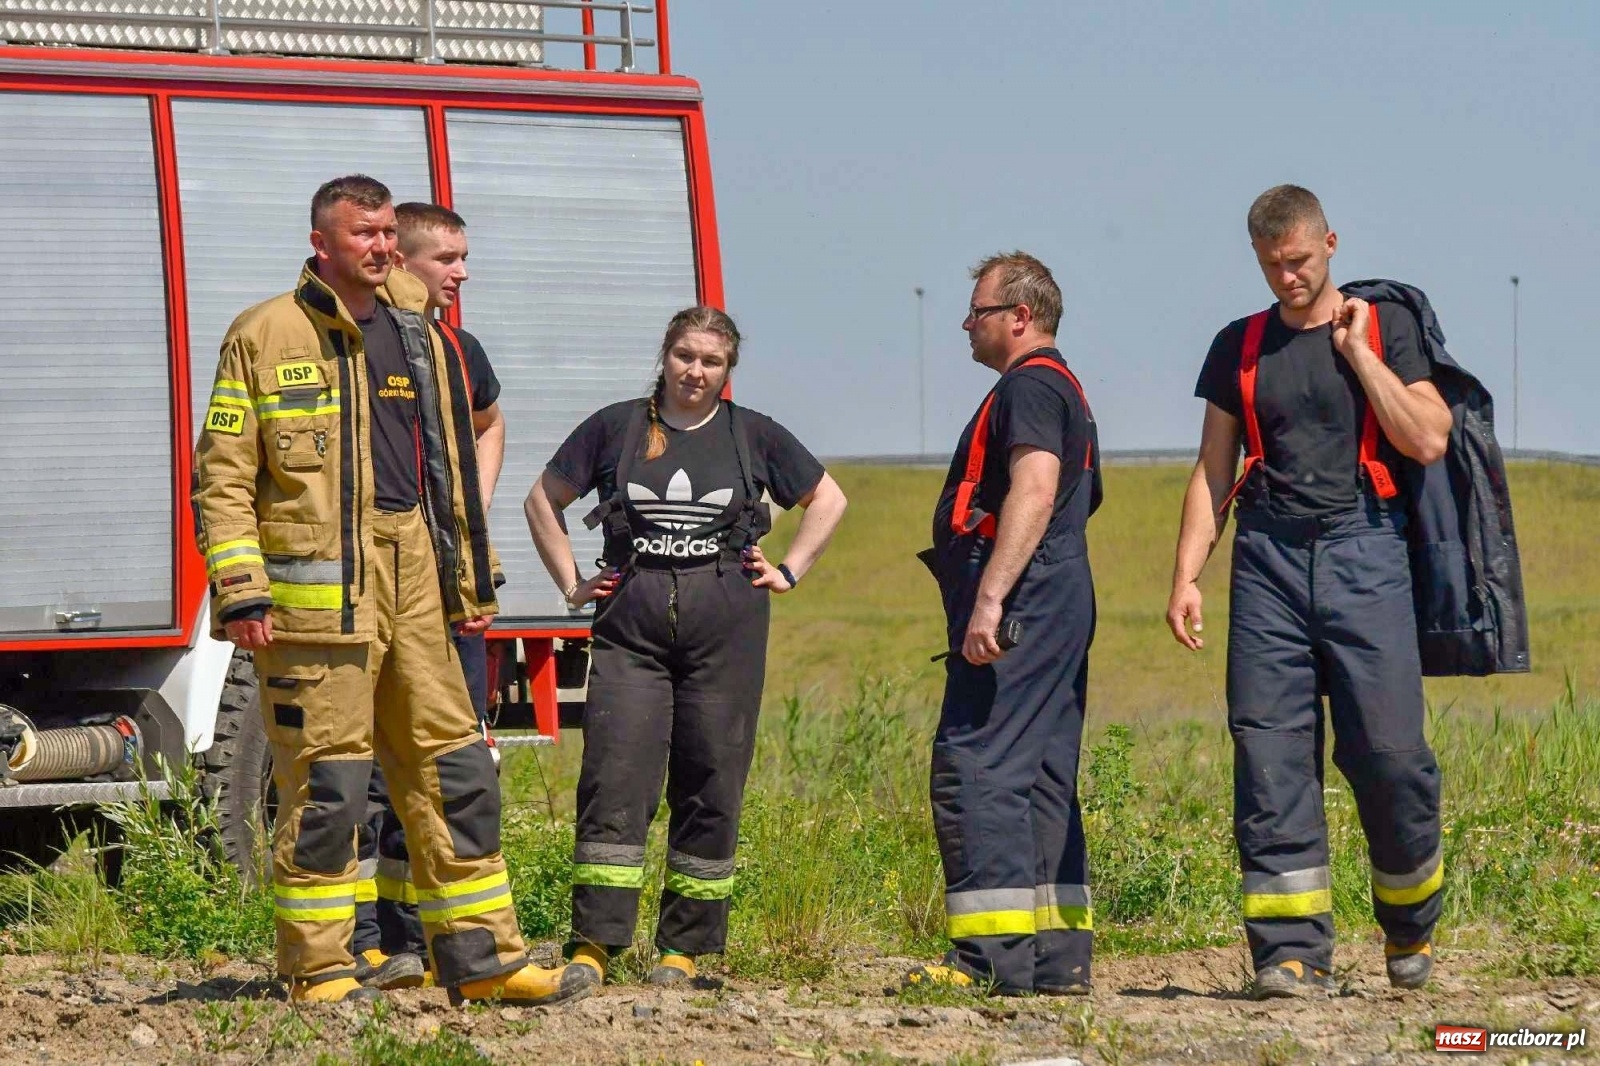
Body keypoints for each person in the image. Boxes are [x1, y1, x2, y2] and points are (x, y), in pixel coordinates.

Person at [193, 174, 588, 1007]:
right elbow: (222, 478)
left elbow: (466, 446)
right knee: (331, 788)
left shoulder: (423, 334)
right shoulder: (264, 335)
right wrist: (242, 589)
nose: (377, 246)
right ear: (321, 245)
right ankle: (321, 968)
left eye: (384, 232)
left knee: (456, 774)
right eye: (360, 234)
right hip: (318, 604)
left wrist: (465, 579)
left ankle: (483, 962)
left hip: (418, 584)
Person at [1166, 185, 1452, 999]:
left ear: (1330, 243)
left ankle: (1409, 920)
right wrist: (1187, 572)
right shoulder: (1239, 345)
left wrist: (1360, 356)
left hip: (1366, 548)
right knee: (1269, 757)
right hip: (1267, 560)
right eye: (1271, 266)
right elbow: (1214, 467)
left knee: (1391, 755)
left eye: (1298, 261)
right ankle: (1290, 954)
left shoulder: (1385, 327)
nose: (1287, 278)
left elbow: (1428, 437)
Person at [523, 306, 847, 988]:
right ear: (664, 357)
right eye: (685, 356)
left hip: (725, 630)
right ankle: (596, 945)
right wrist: (572, 583)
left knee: (711, 781)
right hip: (629, 632)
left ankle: (683, 950)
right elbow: (541, 500)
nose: (695, 372)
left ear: (728, 371)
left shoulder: (751, 434)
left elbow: (829, 499)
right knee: (615, 780)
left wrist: (789, 571)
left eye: (712, 361)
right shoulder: (616, 426)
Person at [908, 252, 1102, 997]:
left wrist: (991, 598)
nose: (966, 322)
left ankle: (988, 962)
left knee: (976, 767)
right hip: (1059, 594)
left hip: (1025, 602)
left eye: (978, 310)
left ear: (1019, 317)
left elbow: (1037, 488)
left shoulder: (1029, 387)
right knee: (1043, 775)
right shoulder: (1064, 391)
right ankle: (1056, 962)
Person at [349, 202, 508, 988]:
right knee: (367, 780)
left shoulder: (455, 347)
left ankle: (433, 947)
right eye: (446, 256)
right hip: (371, 589)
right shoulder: (358, 342)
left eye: (463, 255)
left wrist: (466, 517)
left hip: (446, 596)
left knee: (448, 771)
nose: (461, 271)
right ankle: (366, 944)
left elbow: (488, 421)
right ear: (400, 260)